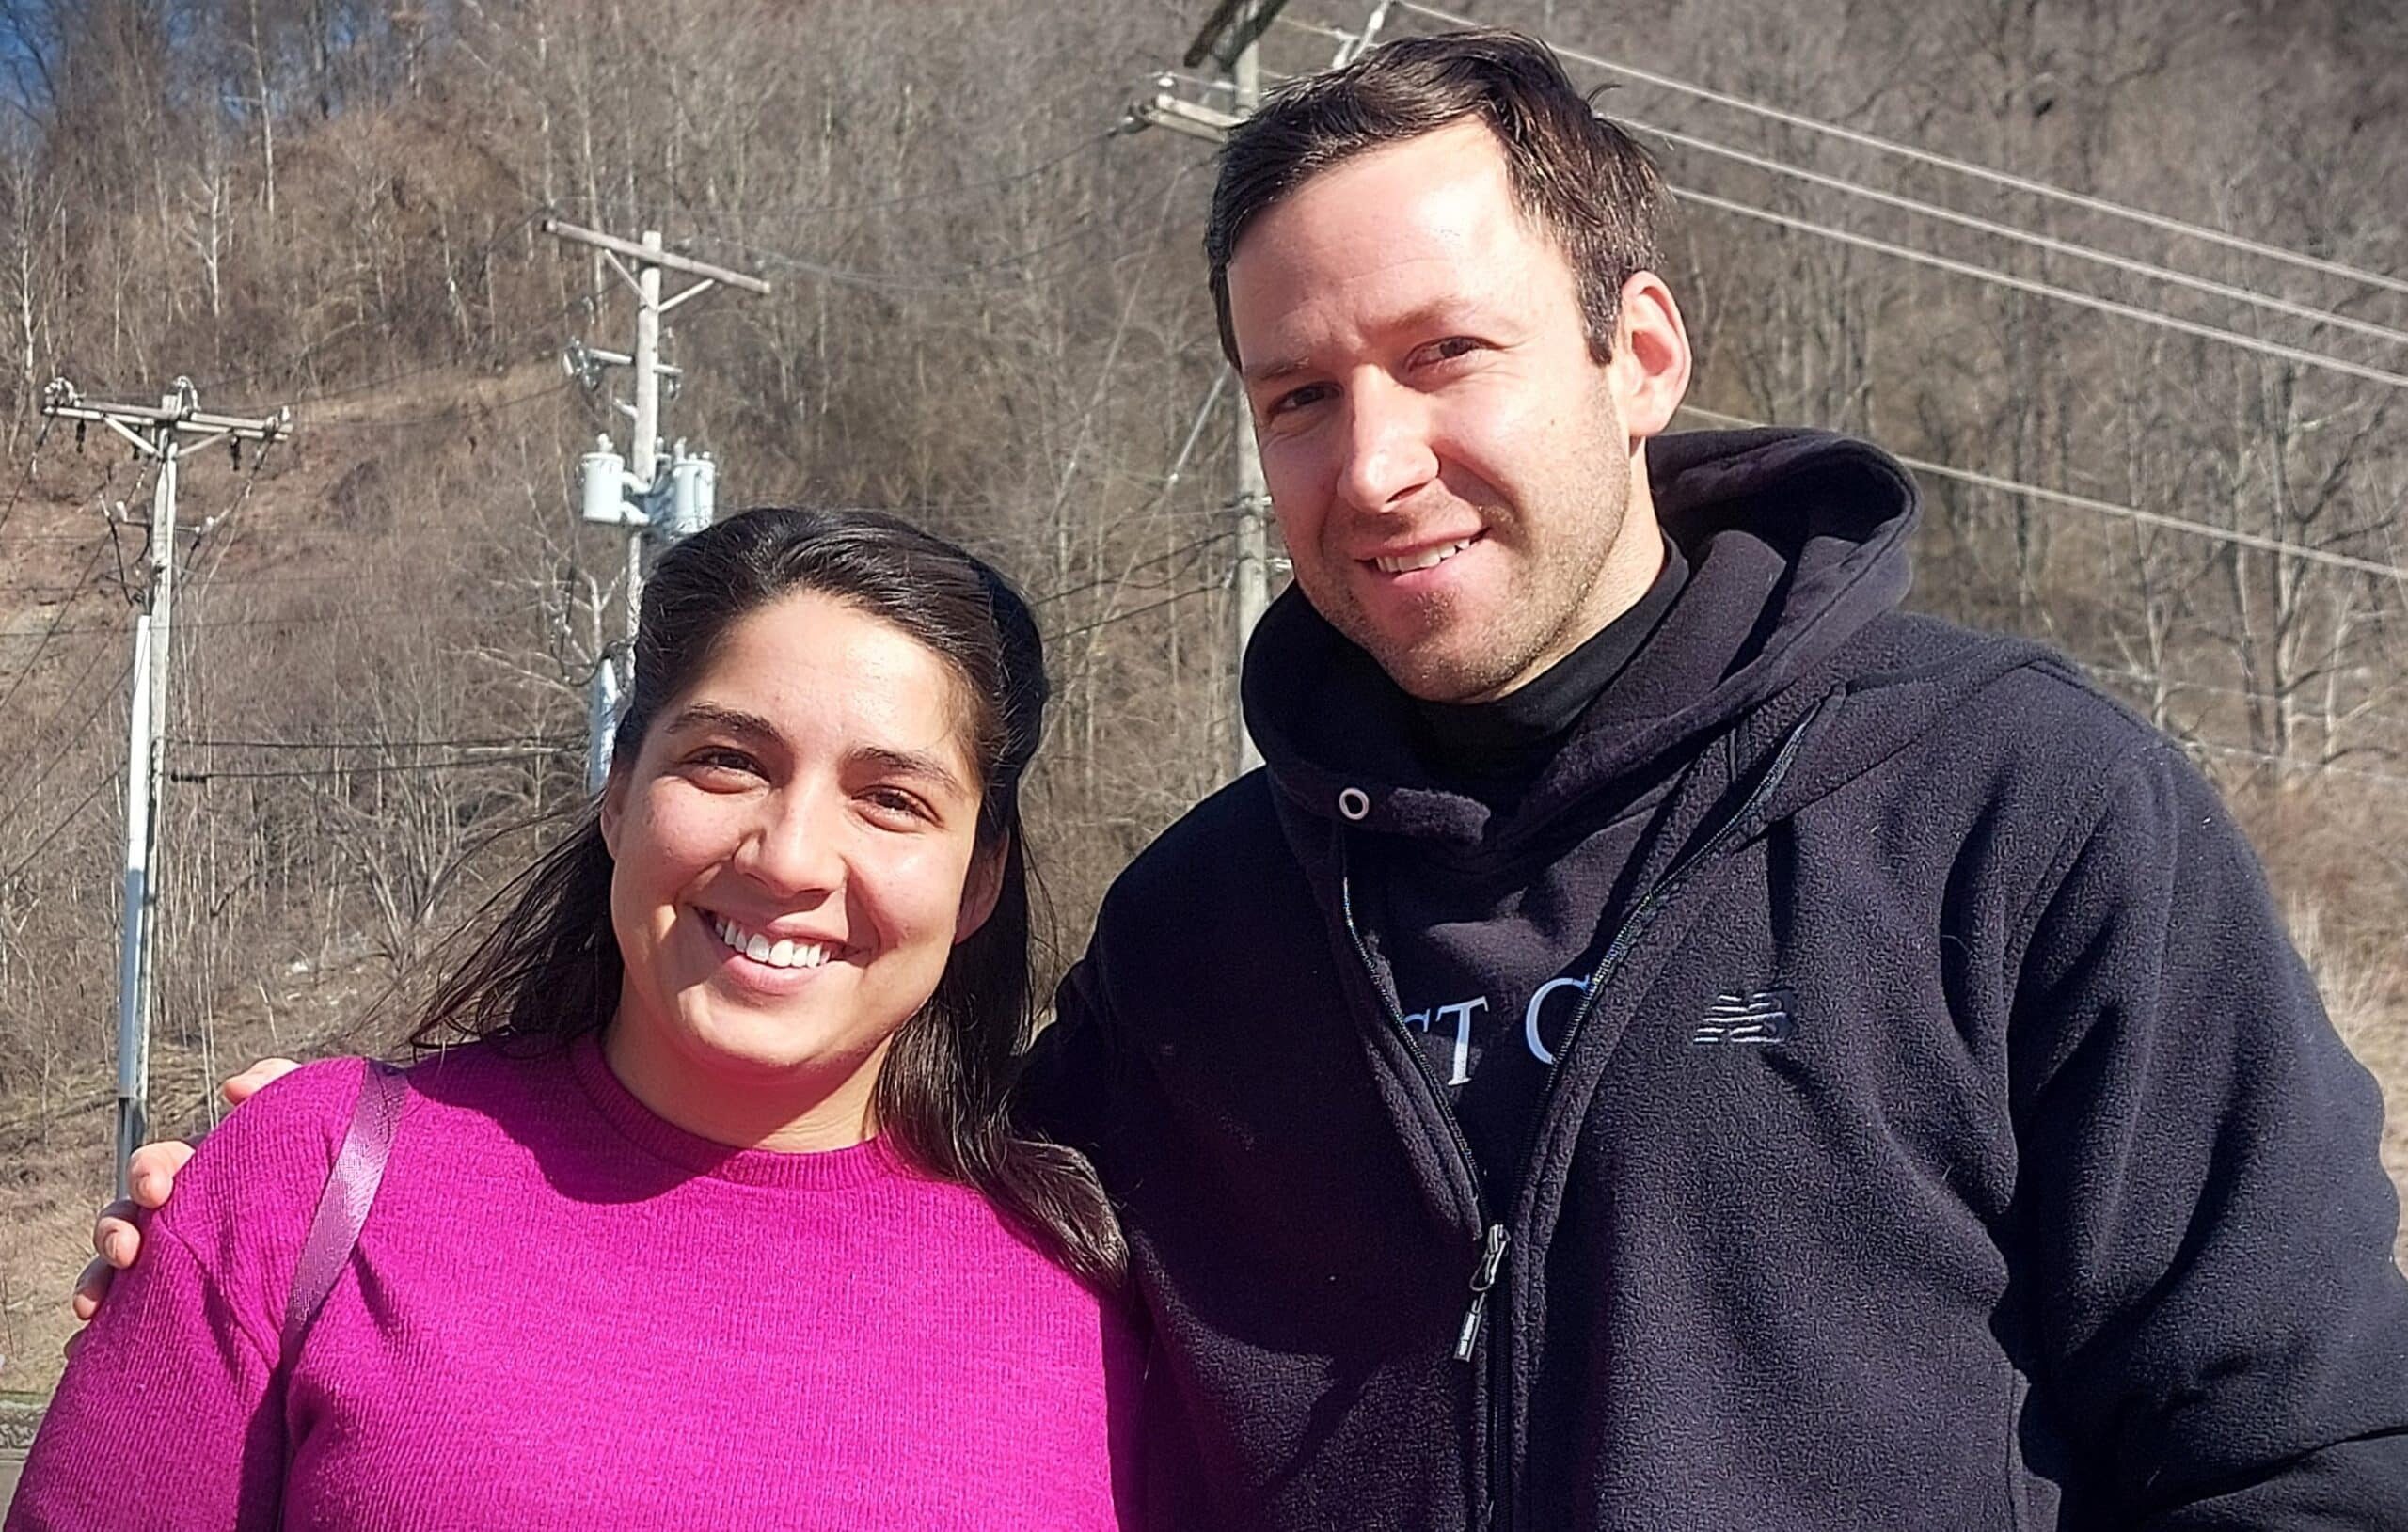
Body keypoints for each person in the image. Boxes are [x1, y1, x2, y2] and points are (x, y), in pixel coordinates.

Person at [71, 29, 2408, 1531]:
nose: (1373, 461)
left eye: (1442, 356)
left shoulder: (2008, 807)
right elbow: (841, 1203)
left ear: (1637, 354)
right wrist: (321, 1193)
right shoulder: (1212, 920)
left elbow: (2301, 1451)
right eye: (1295, 392)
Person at [13, 508, 1139, 1530]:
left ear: (979, 877)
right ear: (617, 792)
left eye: (890, 799)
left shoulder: (1099, 1298)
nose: (791, 856)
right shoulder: (306, 1190)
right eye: (727, 762)